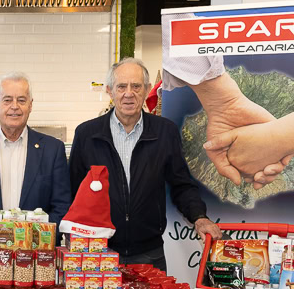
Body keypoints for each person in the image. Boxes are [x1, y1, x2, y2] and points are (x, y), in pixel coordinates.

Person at [68, 58, 221, 269]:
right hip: (99, 252)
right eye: (121, 86)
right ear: (110, 90)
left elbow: (181, 184)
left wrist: (199, 217)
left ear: (147, 89)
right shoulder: (87, 134)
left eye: (136, 86)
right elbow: (73, 191)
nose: (128, 93)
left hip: (150, 255)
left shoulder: (164, 132)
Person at [0, 72, 71, 226]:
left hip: (36, 248)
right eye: (7, 100)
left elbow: (62, 206)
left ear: (30, 105)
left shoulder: (53, 150)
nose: (14, 106)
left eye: (21, 100)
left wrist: (40, 241)